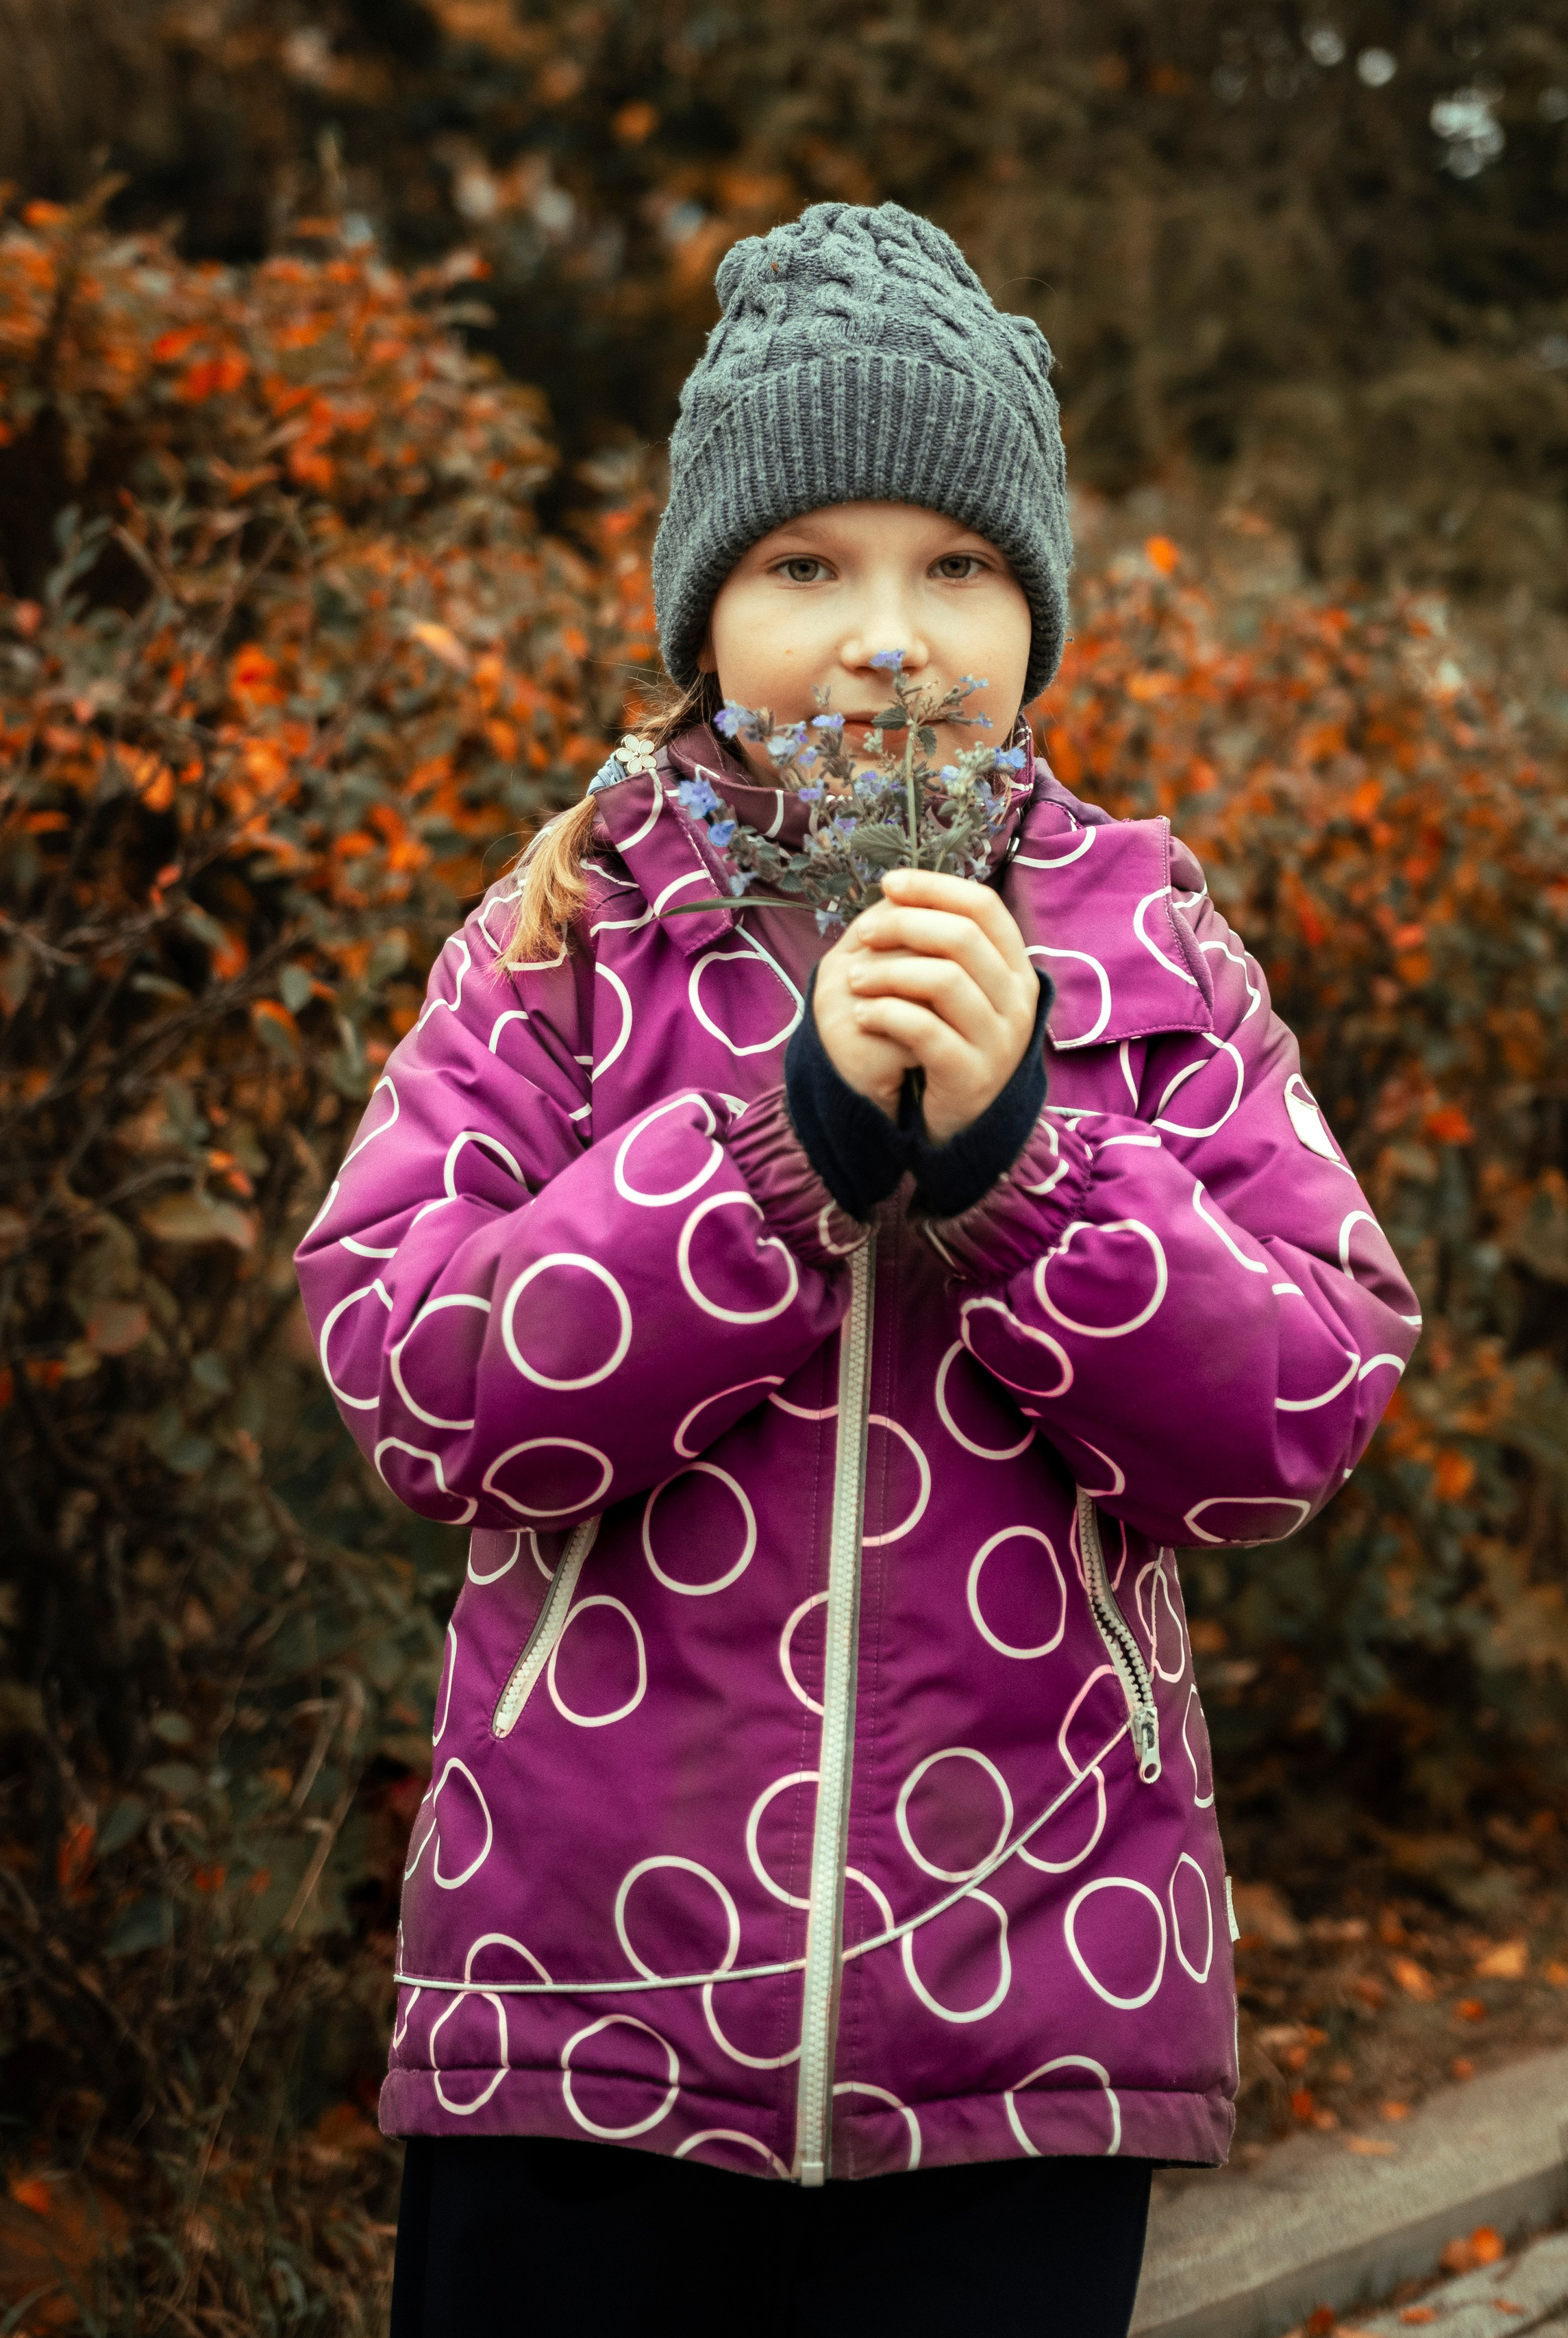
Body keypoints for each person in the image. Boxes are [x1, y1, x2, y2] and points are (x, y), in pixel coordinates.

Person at [296, 200, 1419, 2338]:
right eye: (808, 566)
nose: (889, 638)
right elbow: (413, 1372)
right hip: (587, 1995)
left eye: (960, 567)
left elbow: (1299, 1405)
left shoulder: (1148, 944)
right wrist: (780, 1154)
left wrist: (1019, 1165)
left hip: (1029, 2005)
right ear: (705, 606)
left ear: (1039, 613)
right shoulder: (574, 935)